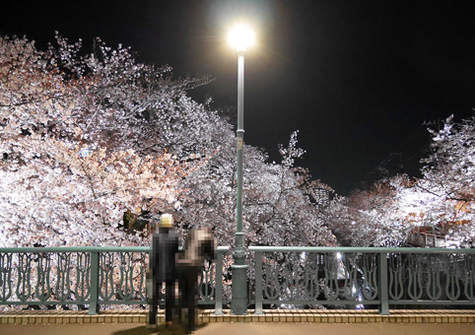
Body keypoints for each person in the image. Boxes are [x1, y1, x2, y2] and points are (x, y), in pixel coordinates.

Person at [176, 227, 217, 333]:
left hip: (180, 264)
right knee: (191, 295)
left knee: (182, 293)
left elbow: (185, 248)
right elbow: (213, 254)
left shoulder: (191, 234)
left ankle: (179, 319)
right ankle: (190, 325)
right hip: (192, 266)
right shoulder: (209, 238)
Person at [148, 213, 179, 330]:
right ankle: (169, 321)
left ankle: (152, 322)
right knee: (170, 297)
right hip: (171, 269)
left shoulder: (156, 236)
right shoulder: (175, 236)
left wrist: (151, 268)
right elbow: (176, 255)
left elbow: (154, 254)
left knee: (154, 298)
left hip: (157, 269)